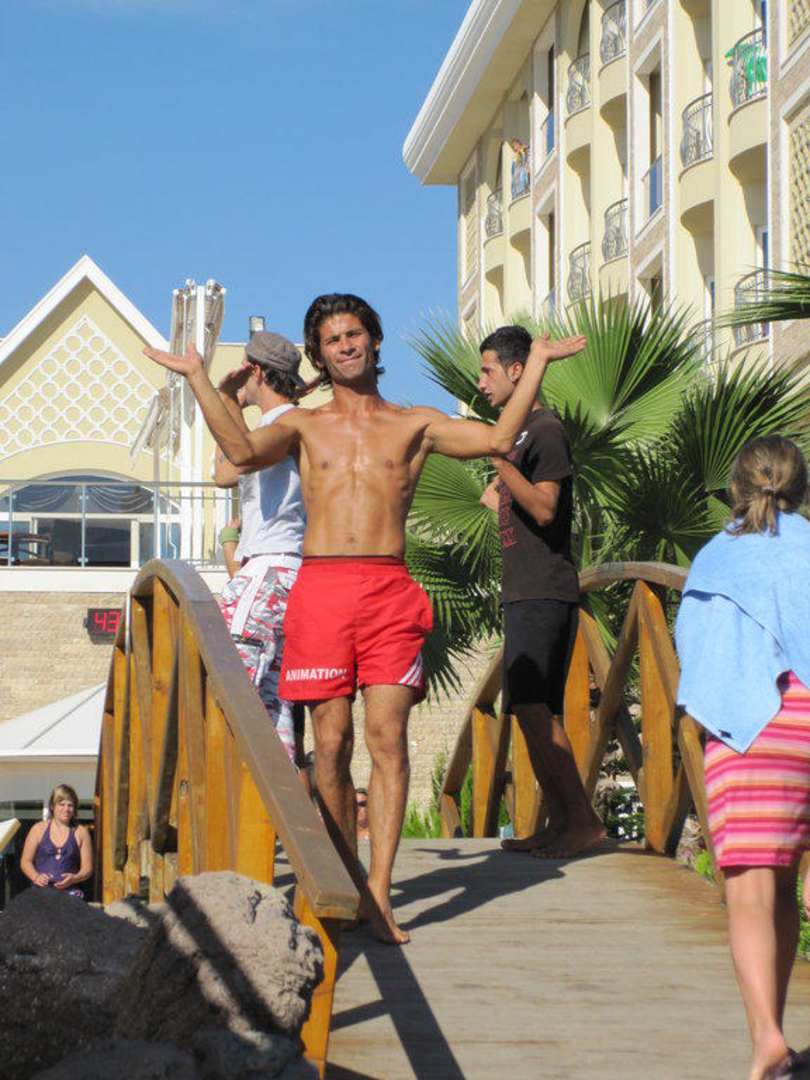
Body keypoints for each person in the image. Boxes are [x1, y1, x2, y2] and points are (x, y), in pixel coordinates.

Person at [145, 293, 585, 944]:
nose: (345, 344)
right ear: (319, 356)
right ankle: (347, 877)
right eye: (332, 339)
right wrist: (199, 380)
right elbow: (237, 450)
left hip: (386, 588)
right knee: (330, 746)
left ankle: (379, 891)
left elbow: (496, 440)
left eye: (354, 333)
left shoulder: (414, 424)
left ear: (374, 342)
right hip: (321, 588)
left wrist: (539, 362)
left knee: (387, 738)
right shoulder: (304, 427)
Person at [676, 435, 810, 1080]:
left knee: (753, 888)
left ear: (736, 486)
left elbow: (699, 655)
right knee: (788, 884)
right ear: (801, 487)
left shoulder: (715, 557)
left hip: (754, 724)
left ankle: (768, 1042)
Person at [477, 325, 605, 859]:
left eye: (487, 370)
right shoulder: (523, 433)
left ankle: (582, 822)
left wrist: (501, 462)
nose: (481, 382)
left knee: (533, 708)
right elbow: (500, 501)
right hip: (524, 590)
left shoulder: (545, 431)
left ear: (516, 371)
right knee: (531, 712)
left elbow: (547, 508)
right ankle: (561, 822)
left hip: (544, 590)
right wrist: (501, 480)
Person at [213, 331, 307, 765]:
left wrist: (221, 396)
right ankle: (277, 799)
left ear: (255, 371)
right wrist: (232, 405)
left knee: (227, 683)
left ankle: (230, 790)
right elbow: (225, 472)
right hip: (286, 570)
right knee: (273, 706)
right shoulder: (279, 427)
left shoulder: (283, 426)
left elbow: (234, 461)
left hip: (270, 566)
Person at [20, 784, 93, 899]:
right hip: (40, 894)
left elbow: (87, 869)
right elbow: (25, 861)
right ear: (52, 806)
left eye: (70, 805)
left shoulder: (81, 832)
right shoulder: (38, 829)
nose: (66, 809)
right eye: (62, 804)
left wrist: (75, 878)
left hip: (71, 894)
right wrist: (36, 877)